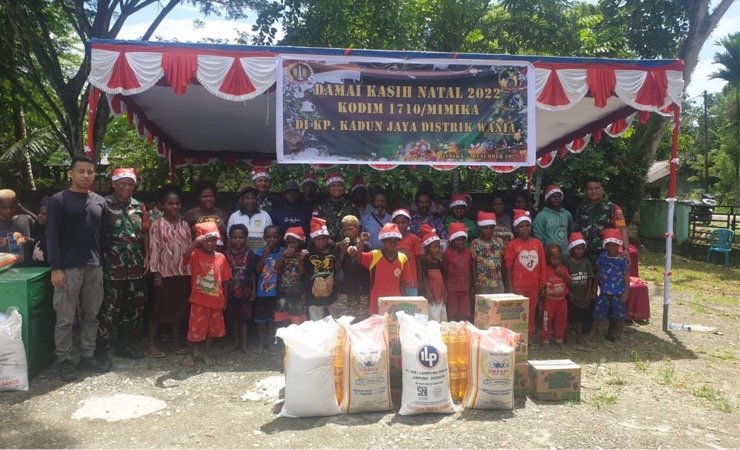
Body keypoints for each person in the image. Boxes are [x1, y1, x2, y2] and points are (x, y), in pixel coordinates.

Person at [46, 156, 109, 380]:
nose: (86, 175)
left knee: (91, 315)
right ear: (71, 173)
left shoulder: (100, 201)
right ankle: (64, 359)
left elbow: (102, 236)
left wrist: (102, 263)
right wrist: (56, 268)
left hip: (94, 266)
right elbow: (51, 236)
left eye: (90, 172)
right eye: (81, 171)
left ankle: (87, 355)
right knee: (65, 317)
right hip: (67, 268)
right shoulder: (58, 201)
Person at [99, 168, 149, 360]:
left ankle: (124, 346)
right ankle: (102, 348)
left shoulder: (139, 206)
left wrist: (147, 256)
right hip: (113, 266)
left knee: (133, 307)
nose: (127, 187)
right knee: (109, 308)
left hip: (135, 264)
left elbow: (145, 233)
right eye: (123, 183)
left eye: (130, 184)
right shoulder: (103, 205)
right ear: (114, 184)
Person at [574, 177, 629, 335]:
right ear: (586, 191)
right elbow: (577, 231)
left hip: (607, 256)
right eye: (590, 188)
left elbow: (623, 228)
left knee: (610, 290)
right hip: (585, 255)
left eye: (597, 188)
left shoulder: (613, 208)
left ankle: (612, 328)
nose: (593, 191)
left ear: (602, 190)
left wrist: (625, 248)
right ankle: (587, 325)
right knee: (587, 288)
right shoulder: (581, 208)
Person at [147, 186, 192, 357]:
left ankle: (175, 344)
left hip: (182, 273)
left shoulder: (184, 225)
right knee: (158, 310)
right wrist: (156, 275)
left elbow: (188, 249)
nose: (174, 207)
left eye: (177, 203)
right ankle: (151, 345)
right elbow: (154, 250)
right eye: (170, 203)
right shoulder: (157, 225)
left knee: (179, 310)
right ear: (163, 205)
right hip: (164, 275)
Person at [183, 222, 232, 366]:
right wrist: (195, 243)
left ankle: (206, 354)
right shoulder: (196, 254)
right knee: (194, 329)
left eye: (213, 240)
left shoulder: (221, 257)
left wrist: (225, 300)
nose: (211, 243)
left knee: (211, 330)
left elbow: (225, 281)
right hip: (199, 301)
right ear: (201, 241)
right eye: (207, 240)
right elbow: (185, 256)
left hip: (216, 301)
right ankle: (190, 355)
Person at [348, 223, 413, 315]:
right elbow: (359, 258)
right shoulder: (375, 255)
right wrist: (362, 240)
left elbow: (405, 282)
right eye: (388, 240)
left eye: (395, 240)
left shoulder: (403, 258)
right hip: (376, 303)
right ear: (383, 241)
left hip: (395, 303)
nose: (392, 243)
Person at [504, 209, 547, 337]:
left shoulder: (537, 244)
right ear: (516, 229)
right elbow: (508, 267)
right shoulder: (512, 245)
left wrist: (542, 283)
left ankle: (530, 334)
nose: (525, 229)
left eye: (527, 225)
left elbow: (542, 265)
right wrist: (510, 286)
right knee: (518, 311)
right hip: (518, 286)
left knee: (531, 311)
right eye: (521, 226)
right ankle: (517, 335)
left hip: (533, 286)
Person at [591, 229, 630, 343]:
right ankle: (593, 334)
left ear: (618, 245)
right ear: (605, 246)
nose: (611, 248)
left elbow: (626, 276)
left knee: (619, 316)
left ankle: (618, 337)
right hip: (604, 292)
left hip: (618, 293)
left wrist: (626, 292)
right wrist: (595, 286)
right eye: (609, 245)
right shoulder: (602, 257)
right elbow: (599, 272)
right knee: (598, 314)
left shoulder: (622, 259)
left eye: (614, 246)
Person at [224, 224, 257, 354]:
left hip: (245, 292)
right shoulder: (225, 254)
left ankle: (244, 344)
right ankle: (236, 342)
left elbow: (253, 272)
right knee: (233, 319)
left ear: (246, 238)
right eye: (235, 237)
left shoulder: (250, 254)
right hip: (231, 291)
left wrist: (254, 289)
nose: (238, 240)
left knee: (244, 319)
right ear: (230, 239)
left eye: (241, 237)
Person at [335, 215, 371, 322]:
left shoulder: (365, 245)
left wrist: (356, 254)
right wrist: (342, 251)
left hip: (362, 289)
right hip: (344, 289)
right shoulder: (340, 246)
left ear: (357, 228)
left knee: (361, 322)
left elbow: (368, 266)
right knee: (343, 322)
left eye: (350, 229)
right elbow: (337, 268)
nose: (347, 232)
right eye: (344, 230)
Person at [254, 225, 283, 353]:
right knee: (261, 320)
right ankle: (261, 342)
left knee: (273, 319)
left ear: (279, 237)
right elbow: (257, 270)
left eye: (275, 236)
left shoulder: (283, 251)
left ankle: (271, 341)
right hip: (262, 293)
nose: (272, 239)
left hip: (277, 292)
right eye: (269, 236)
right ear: (264, 238)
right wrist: (265, 254)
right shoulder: (259, 251)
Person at [304, 217, 339, 320]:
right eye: (318, 239)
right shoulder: (308, 253)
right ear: (313, 240)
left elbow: (338, 267)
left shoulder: (333, 250)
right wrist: (301, 260)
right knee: (316, 325)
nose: (321, 241)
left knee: (336, 322)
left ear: (328, 238)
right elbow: (301, 271)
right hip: (313, 296)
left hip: (332, 294)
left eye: (324, 238)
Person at [565, 232, 594, 345]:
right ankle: (565, 337)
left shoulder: (586, 262)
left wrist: (589, 292)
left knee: (580, 318)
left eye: (582, 249)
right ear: (572, 249)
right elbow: (564, 279)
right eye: (577, 249)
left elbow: (590, 278)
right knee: (568, 317)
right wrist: (569, 294)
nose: (580, 251)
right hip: (572, 295)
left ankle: (579, 337)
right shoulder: (567, 262)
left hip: (582, 296)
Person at [275, 227, 308, 326]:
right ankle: (282, 340)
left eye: (295, 242)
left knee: (297, 319)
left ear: (300, 242)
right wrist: (283, 256)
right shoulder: (284, 253)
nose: (292, 245)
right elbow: (276, 268)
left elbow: (301, 272)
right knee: (282, 318)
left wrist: (300, 259)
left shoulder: (303, 254)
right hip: (283, 291)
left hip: (298, 292)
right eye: (289, 242)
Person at [443, 222, 474, 321]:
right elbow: (444, 271)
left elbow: (471, 270)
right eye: (457, 240)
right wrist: (444, 288)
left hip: (465, 288)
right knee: (452, 313)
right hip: (451, 288)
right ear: (452, 241)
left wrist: (472, 287)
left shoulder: (468, 252)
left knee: (464, 314)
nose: (460, 242)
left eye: (463, 239)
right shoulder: (447, 253)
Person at [316, 172, 360, 242]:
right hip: (326, 246)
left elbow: (358, 227)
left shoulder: (351, 207)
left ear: (343, 187)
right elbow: (316, 228)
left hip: (349, 245)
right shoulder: (321, 207)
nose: (336, 188)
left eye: (339, 185)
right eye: (333, 185)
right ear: (328, 189)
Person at [227, 186, 273, 251]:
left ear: (257, 200)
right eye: (247, 198)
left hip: (261, 255)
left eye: (253, 198)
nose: (250, 201)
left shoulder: (265, 215)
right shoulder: (234, 216)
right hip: (241, 256)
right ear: (241, 200)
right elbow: (229, 239)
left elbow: (270, 237)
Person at [470, 211, 506, 295]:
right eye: (485, 228)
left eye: (491, 228)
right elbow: (473, 265)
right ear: (480, 228)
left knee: (498, 307)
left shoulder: (499, 242)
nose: (489, 231)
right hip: (483, 284)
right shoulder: (475, 243)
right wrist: (475, 283)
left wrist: (506, 281)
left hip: (498, 283)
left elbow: (502, 263)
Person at [542, 244, 571, 346]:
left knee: (561, 319)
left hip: (562, 300)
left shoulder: (563, 268)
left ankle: (559, 338)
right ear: (548, 258)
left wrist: (562, 274)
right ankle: (546, 339)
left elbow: (569, 282)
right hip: (549, 300)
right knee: (547, 320)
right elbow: (542, 284)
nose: (557, 261)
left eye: (559, 258)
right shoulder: (545, 269)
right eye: (554, 258)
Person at [184, 180, 228, 247]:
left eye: (211, 196)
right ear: (198, 198)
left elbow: (227, 236)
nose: (208, 199)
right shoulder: (191, 214)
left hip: (219, 254)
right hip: (198, 254)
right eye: (204, 196)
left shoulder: (222, 213)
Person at [533, 185, 573, 256]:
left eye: (559, 196)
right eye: (553, 197)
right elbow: (538, 237)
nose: (557, 198)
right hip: (549, 256)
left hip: (566, 255)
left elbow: (570, 231)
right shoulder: (541, 216)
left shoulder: (567, 214)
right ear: (548, 198)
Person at [0, 189, 35, 266]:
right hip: (4, 269)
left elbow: (38, 241)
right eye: (4, 207)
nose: (8, 210)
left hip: (26, 268)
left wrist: (28, 240)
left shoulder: (26, 220)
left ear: (16, 205)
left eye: (11, 207)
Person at [419, 225, 447, 322]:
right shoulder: (424, 262)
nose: (437, 250)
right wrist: (427, 292)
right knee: (433, 317)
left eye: (438, 247)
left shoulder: (438, 262)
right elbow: (424, 278)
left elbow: (441, 278)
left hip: (440, 294)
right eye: (434, 247)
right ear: (427, 249)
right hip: (431, 295)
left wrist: (444, 292)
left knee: (442, 317)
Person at [392, 209, 423, 296]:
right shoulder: (391, 240)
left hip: (411, 281)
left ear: (408, 223)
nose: (401, 225)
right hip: (395, 279)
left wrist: (419, 281)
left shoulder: (414, 239)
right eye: (398, 222)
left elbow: (418, 261)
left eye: (403, 222)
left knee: (411, 306)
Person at [31, 196, 49, 265]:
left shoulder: (56, 234)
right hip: (38, 270)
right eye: (39, 213)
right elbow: (39, 241)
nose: (39, 216)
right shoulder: (40, 228)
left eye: (43, 214)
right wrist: (29, 240)